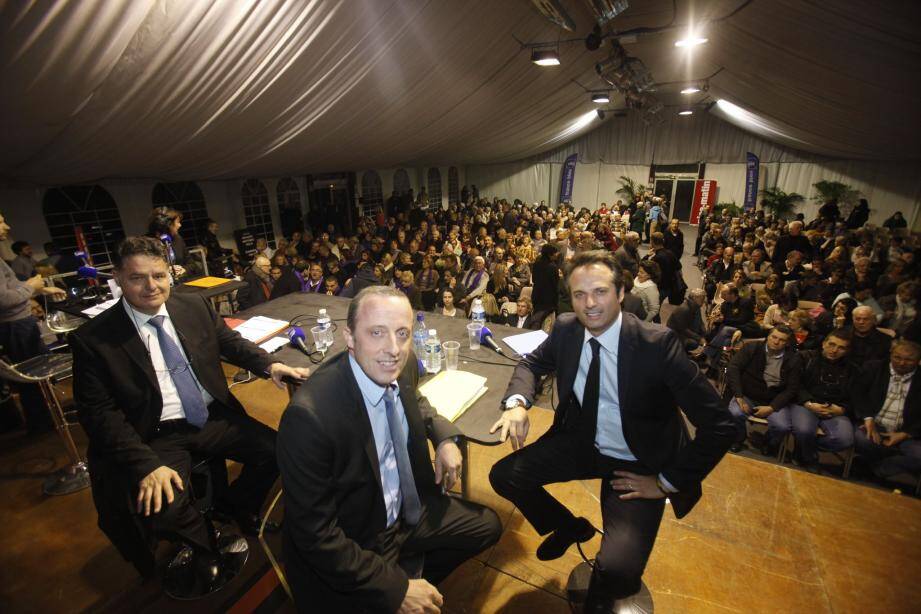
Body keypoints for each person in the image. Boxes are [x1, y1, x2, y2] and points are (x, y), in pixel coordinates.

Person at [488, 251, 734, 610]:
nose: (589, 304)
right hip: (582, 441)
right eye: (579, 294)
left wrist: (665, 482)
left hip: (637, 461)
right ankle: (570, 526)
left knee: (619, 570)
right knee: (504, 476)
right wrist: (517, 405)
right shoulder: (567, 329)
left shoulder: (657, 344)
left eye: (600, 292)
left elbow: (720, 425)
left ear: (621, 293)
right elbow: (532, 362)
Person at [70, 236, 309, 580]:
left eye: (159, 275)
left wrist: (269, 365)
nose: (151, 286)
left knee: (276, 451)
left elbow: (230, 342)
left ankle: (234, 507)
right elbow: (98, 413)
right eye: (138, 278)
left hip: (210, 415)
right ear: (119, 279)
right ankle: (205, 544)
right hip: (154, 433)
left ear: (170, 274)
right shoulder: (94, 339)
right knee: (165, 508)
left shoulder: (192, 305)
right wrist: (146, 465)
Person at [277, 286, 501, 612]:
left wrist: (444, 438)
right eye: (377, 333)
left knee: (487, 526)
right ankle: (391, 587)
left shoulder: (401, 361)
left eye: (402, 333)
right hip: (356, 538)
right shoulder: (309, 418)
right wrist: (395, 589)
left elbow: (415, 400)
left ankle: (410, 579)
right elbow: (317, 537)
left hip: (404, 514)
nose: (393, 348)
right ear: (349, 337)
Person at [0, 214, 67, 432]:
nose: (6, 226)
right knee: (31, 379)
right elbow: (4, 300)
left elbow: (10, 288)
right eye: (1, 221)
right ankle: (43, 424)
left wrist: (42, 288)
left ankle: (48, 419)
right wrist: (31, 286)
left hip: (19, 323)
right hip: (15, 326)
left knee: (37, 379)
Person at [725, 326, 802, 453]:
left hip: (774, 399)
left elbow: (792, 389)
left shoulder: (794, 359)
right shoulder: (752, 348)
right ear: (768, 337)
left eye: (782, 340)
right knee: (735, 413)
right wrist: (738, 396)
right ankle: (738, 438)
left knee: (782, 426)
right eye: (774, 337)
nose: (776, 342)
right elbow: (733, 368)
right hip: (748, 395)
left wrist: (772, 407)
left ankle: (766, 442)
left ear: (787, 342)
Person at [853, 340, 921, 481]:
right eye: (897, 357)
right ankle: (873, 461)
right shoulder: (874, 368)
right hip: (874, 424)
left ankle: (876, 470)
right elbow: (858, 394)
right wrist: (867, 418)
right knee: (863, 440)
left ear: (918, 360)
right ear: (891, 355)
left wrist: (905, 434)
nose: (902, 363)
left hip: (908, 432)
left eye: (909, 360)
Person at [789, 330, 856, 471]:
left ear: (847, 350)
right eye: (832, 344)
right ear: (824, 343)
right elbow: (794, 385)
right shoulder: (805, 357)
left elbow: (855, 396)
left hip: (835, 408)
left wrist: (842, 408)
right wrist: (809, 403)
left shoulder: (853, 369)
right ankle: (809, 458)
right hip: (806, 403)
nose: (835, 350)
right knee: (804, 430)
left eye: (841, 347)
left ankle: (802, 449)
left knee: (845, 439)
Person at [667, 288, 707, 355]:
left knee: (705, 336)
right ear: (695, 298)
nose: (704, 300)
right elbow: (683, 329)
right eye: (702, 298)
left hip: (686, 329)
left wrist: (703, 331)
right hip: (676, 333)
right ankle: (679, 352)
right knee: (693, 343)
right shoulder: (683, 309)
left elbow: (700, 321)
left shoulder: (696, 307)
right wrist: (699, 338)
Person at [531, 243, 561, 318]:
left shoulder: (536, 264)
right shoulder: (553, 267)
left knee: (537, 321)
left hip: (537, 297)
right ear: (550, 254)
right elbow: (556, 285)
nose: (557, 254)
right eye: (555, 253)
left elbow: (534, 279)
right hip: (549, 301)